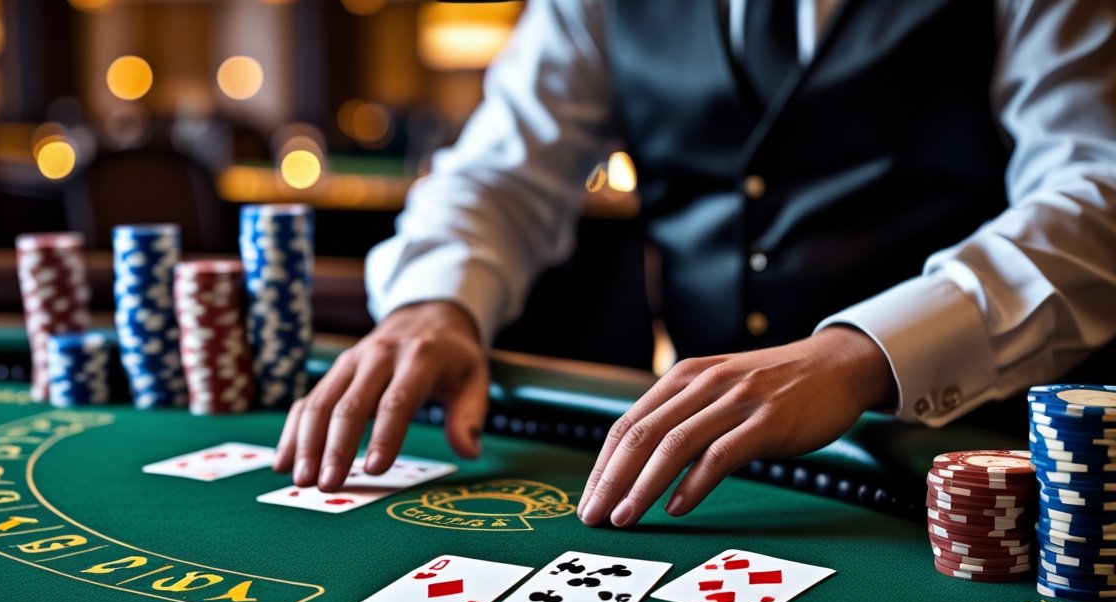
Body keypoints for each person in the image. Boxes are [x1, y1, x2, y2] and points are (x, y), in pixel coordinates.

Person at [274, 0, 1116, 528]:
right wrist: (434, 303)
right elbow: (501, 172)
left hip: (981, 465)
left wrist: (862, 352)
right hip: (709, 474)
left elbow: (1097, 190)